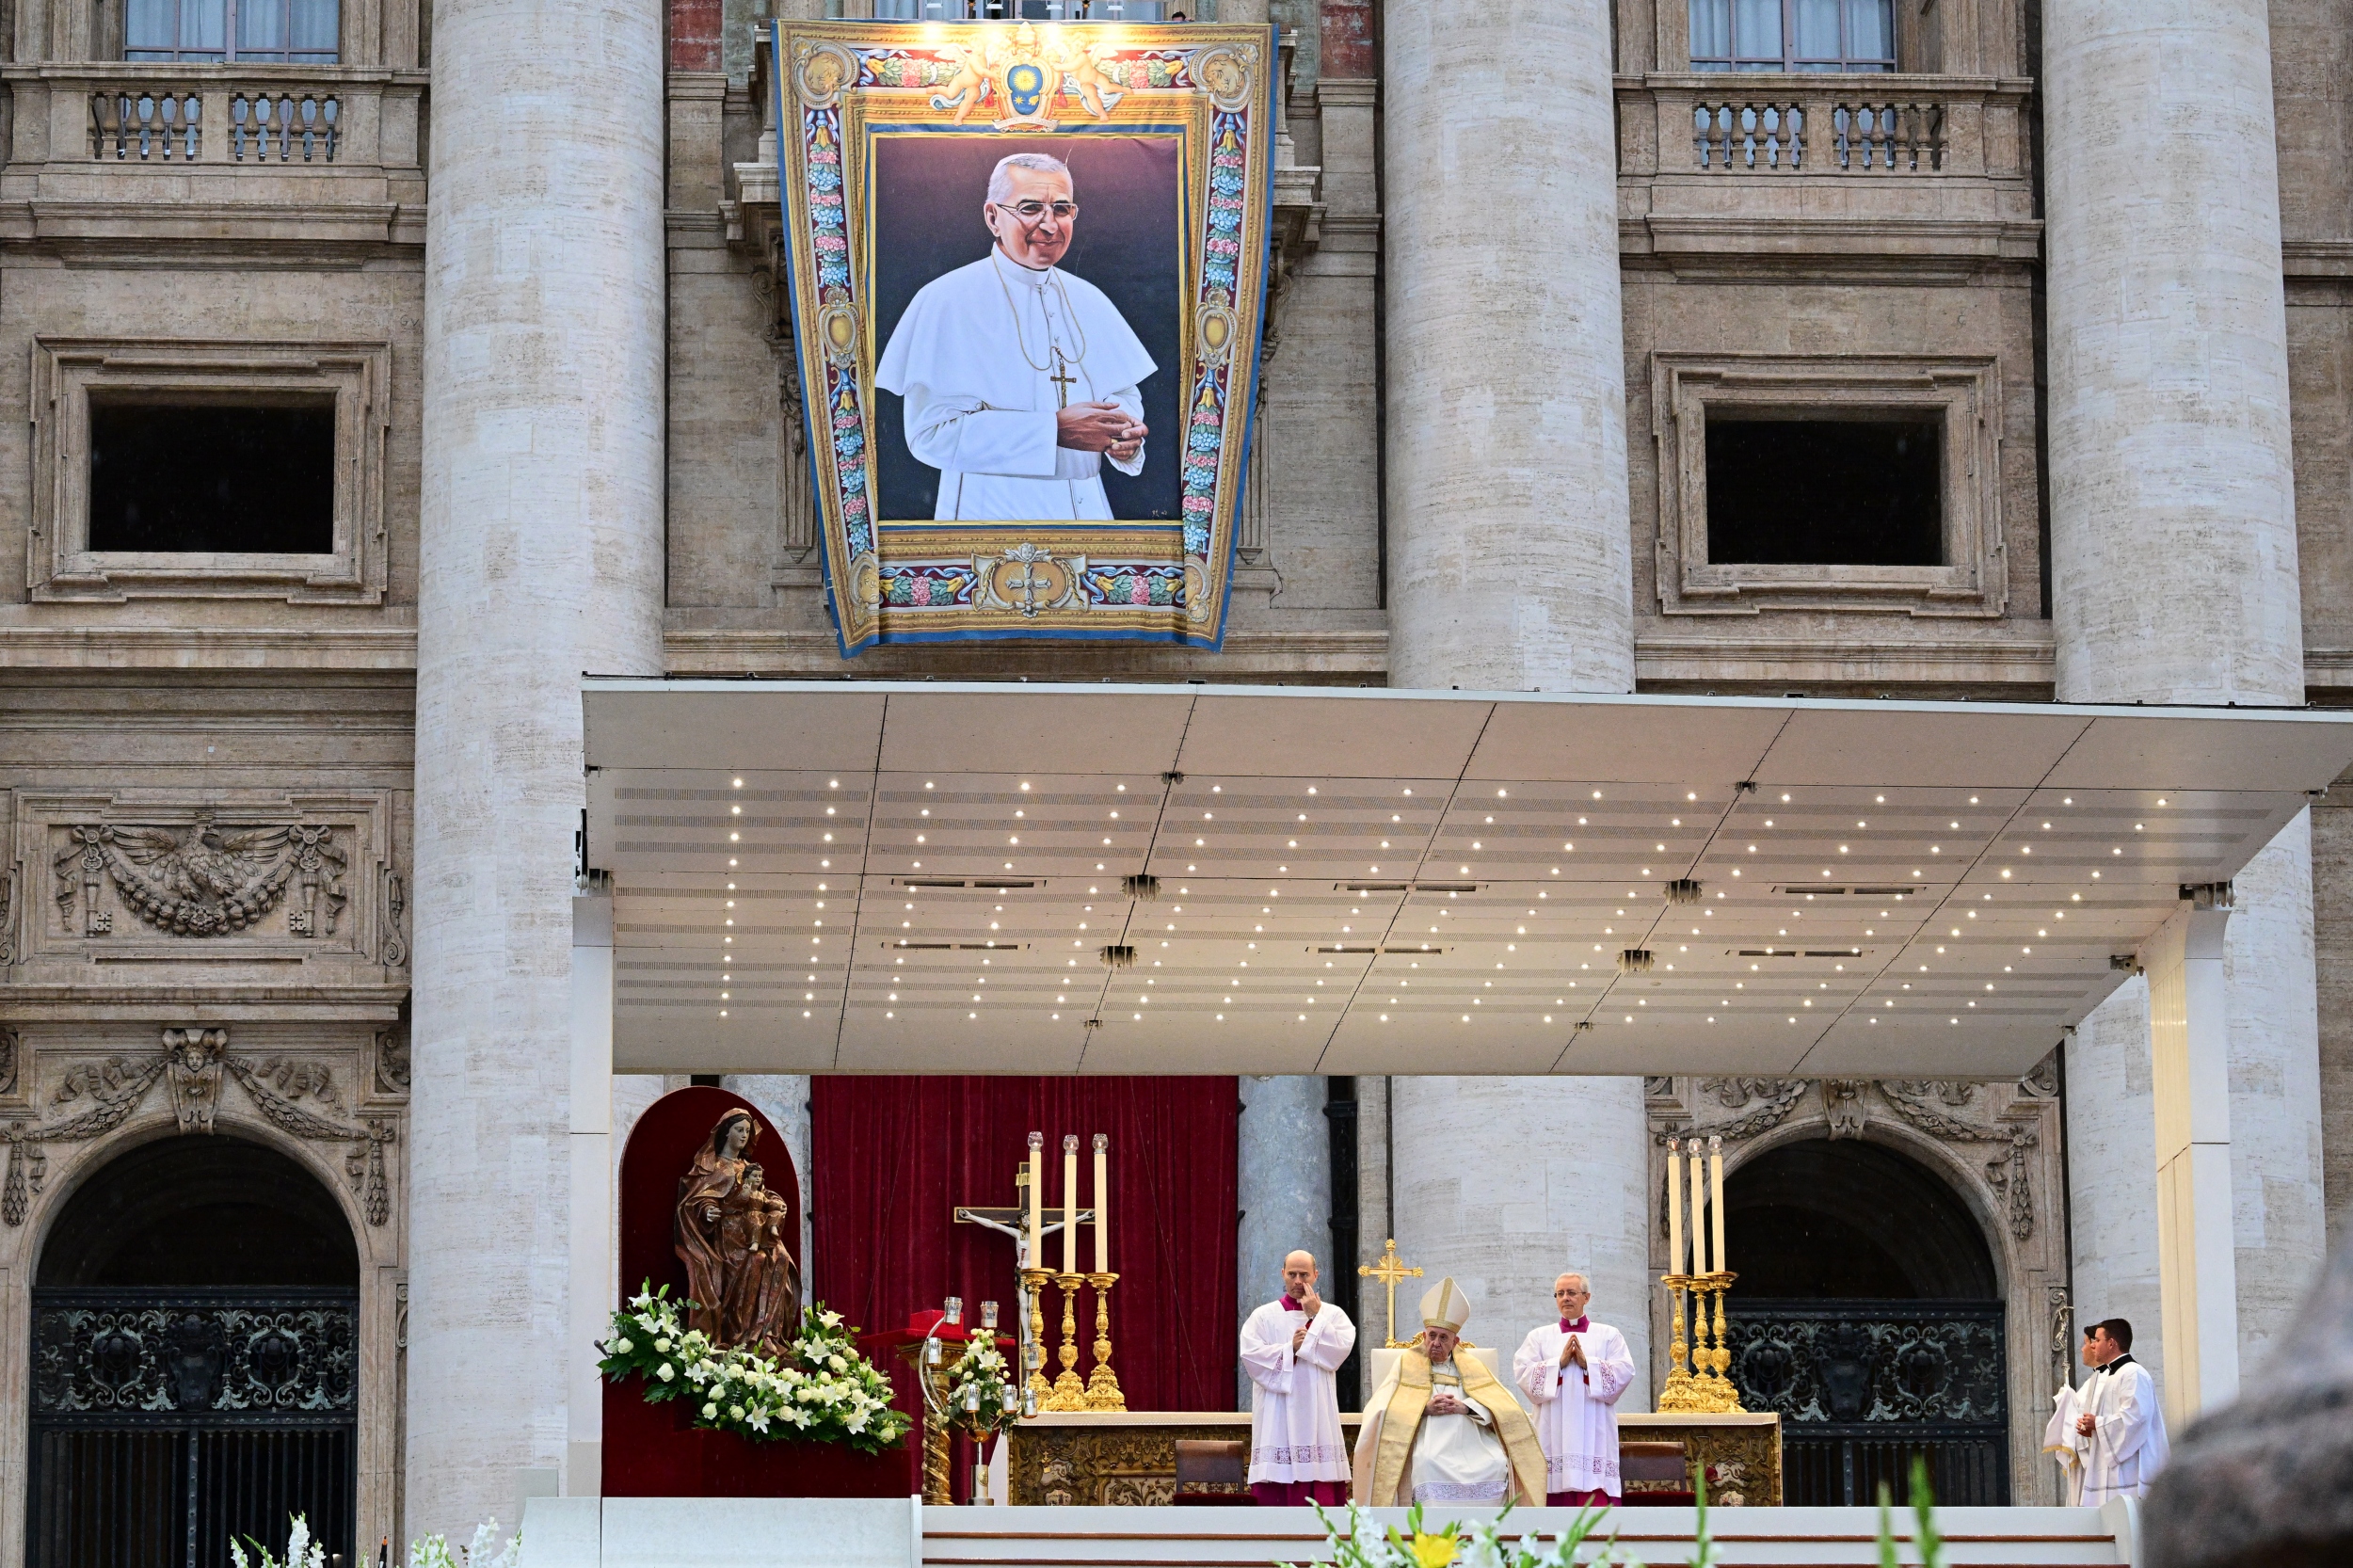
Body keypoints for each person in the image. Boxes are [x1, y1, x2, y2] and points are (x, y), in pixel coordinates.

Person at [875, 151, 1156, 521]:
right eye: (1030, 208)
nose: (1050, 225)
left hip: (1089, 517)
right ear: (993, 217)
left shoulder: (1090, 299)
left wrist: (1124, 437)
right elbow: (929, 435)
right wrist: (1052, 431)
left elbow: (1122, 395)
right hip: (987, 514)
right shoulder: (946, 299)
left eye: (1061, 209)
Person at [1353, 1277, 1547, 1508]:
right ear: (1423, 1336)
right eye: (1431, 1335)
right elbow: (1380, 1407)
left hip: (1473, 1439)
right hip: (1429, 1438)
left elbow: (1505, 1407)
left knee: (1496, 1463)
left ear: (1455, 1341)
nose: (1435, 1342)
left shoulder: (1473, 1365)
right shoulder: (1406, 1363)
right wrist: (1423, 1409)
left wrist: (1466, 1407)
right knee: (1427, 1462)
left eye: (1443, 1337)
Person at [674, 1109, 801, 1355]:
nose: (744, 1136)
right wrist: (707, 1211)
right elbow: (699, 1198)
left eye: (747, 1131)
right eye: (739, 1130)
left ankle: (767, 1334)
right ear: (726, 1132)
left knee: (781, 1258)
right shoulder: (714, 1166)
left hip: (754, 1227)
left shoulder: (747, 1166)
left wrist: (775, 1202)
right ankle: (740, 1336)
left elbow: (761, 1194)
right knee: (755, 1260)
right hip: (729, 1233)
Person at [1238, 1250, 1358, 1506]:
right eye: (1292, 1274)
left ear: (1316, 1275)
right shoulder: (1263, 1316)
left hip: (1318, 1412)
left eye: (1304, 1275)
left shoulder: (1333, 1316)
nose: (1297, 1281)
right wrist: (1288, 1350)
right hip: (1278, 1412)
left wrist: (1316, 1317)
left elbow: (1338, 1352)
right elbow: (1251, 1356)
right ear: (1282, 1274)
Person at [1513, 1272, 1636, 1506]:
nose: (1565, 1298)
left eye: (1571, 1293)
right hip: (1552, 1428)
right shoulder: (1538, 1337)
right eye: (1560, 1293)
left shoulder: (1608, 1335)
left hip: (1594, 1429)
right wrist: (1557, 1364)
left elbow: (1624, 1372)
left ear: (1586, 1297)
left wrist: (1587, 1364)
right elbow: (1523, 1374)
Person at [2045, 1318, 2169, 1505]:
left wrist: (2098, 1424)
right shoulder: (2106, 1376)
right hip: (2107, 1466)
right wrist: (2090, 1430)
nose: (2093, 1346)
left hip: (2128, 1470)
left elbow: (2136, 1417)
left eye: (2097, 1340)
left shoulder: (2133, 1373)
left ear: (2111, 1343)